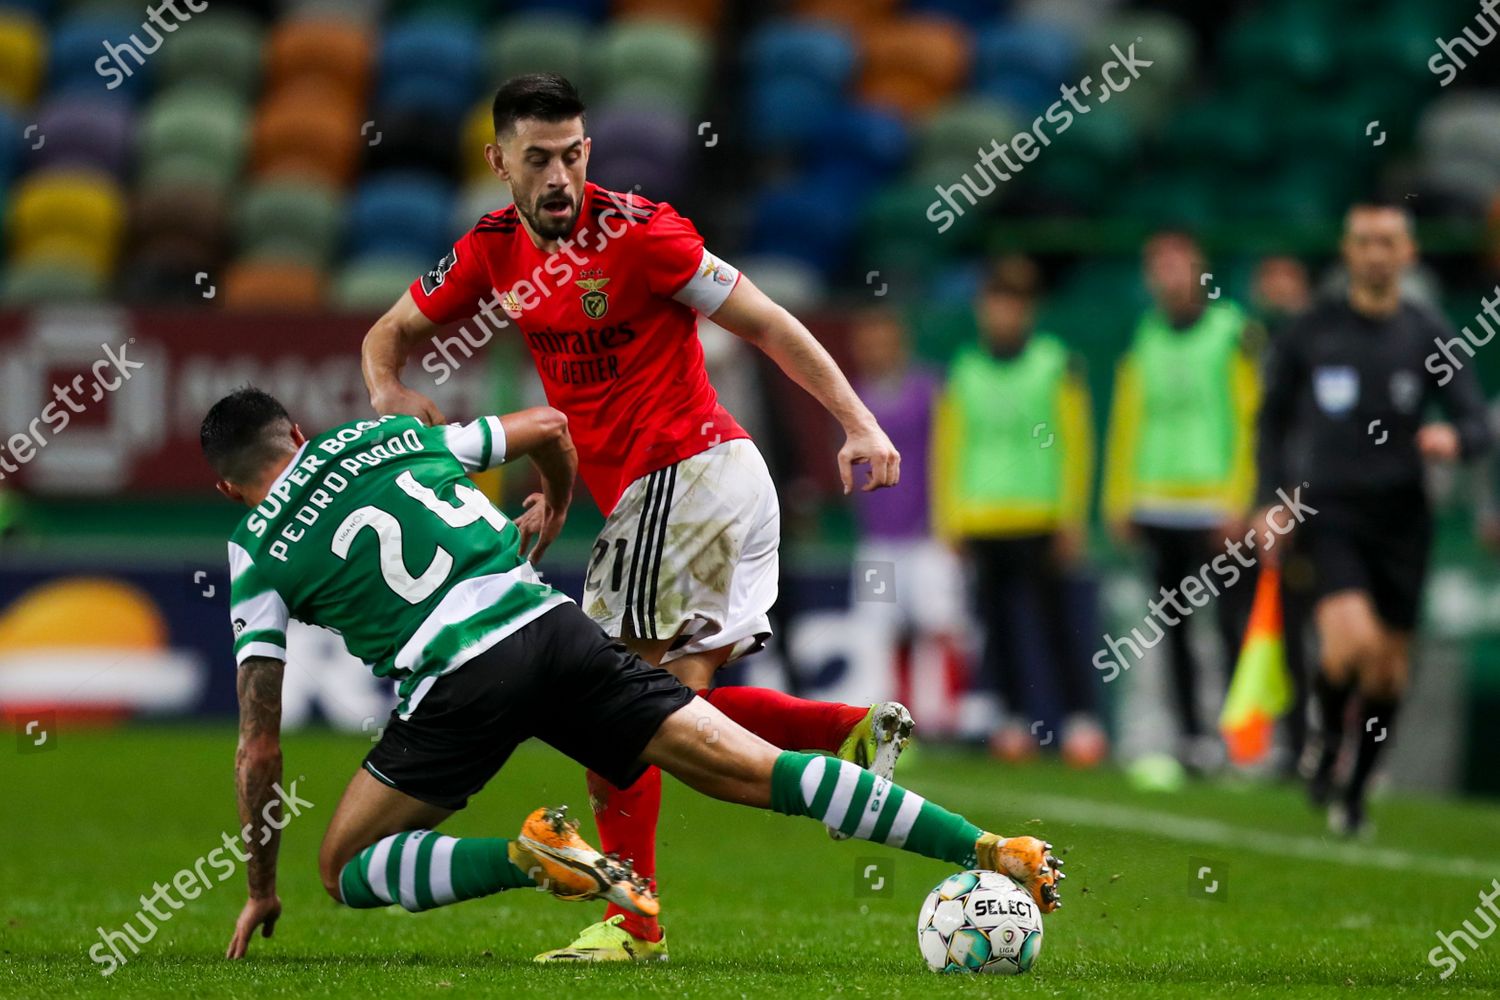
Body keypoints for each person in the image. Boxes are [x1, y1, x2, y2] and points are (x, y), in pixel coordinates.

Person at [200, 389, 1064, 959]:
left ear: (230, 489)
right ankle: (992, 846)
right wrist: (556, 496)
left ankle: (527, 855)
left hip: (458, 681)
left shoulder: (252, 552)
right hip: (552, 627)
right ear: (299, 433)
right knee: (754, 775)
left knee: (346, 866)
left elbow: (260, 750)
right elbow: (547, 425)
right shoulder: (383, 436)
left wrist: (260, 888)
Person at [359, 74, 912, 961]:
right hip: (680, 493)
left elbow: (768, 322)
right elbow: (384, 334)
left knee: (609, 703)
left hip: (690, 474)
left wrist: (858, 420)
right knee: (672, 712)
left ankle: (631, 921)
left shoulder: (643, 233)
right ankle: (841, 730)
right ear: (499, 161)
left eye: (572, 154)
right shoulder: (491, 249)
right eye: (537, 158)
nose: (559, 177)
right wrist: (390, 392)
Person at [1255, 203, 1492, 835]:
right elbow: (1272, 419)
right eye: (1365, 242)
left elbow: (1475, 418)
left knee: (1388, 670)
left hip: (1403, 519)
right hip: (1329, 509)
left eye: (1389, 242)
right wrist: (1270, 498)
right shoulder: (1312, 330)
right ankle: (1327, 739)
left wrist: (1456, 440)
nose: (1377, 253)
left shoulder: (1428, 334)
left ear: (1409, 253)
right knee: (1351, 643)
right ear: (1348, 251)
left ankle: (1353, 794)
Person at [934, 257, 1107, 766]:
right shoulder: (964, 368)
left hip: (1040, 515)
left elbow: (1076, 442)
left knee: (1058, 623)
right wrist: (951, 517)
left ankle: (1079, 720)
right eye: (995, 303)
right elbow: (950, 447)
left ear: (1028, 310)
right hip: (984, 518)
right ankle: (1011, 720)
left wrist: (1072, 514)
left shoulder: (1055, 364)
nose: (1003, 314)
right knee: (997, 626)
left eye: (1013, 304)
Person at [1103, 232, 1260, 773]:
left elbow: (1251, 418)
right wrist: (1119, 495)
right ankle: (1194, 738)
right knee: (1173, 629)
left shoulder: (1233, 332)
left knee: (1233, 627)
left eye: (1178, 264)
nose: (1167, 276)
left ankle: (1246, 741)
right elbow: (1128, 421)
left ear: (1201, 270)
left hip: (1217, 505)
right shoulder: (1145, 336)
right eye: (1158, 266)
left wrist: (1241, 497)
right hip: (1157, 503)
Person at [846, 307, 967, 729]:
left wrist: (950, 520)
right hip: (878, 540)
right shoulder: (852, 399)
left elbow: (950, 454)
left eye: (881, 341)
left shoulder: (929, 391)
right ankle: (898, 720)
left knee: (941, 624)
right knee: (886, 629)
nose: (873, 351)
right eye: (866, 343)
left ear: (899, 342)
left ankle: (949, 717)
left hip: (927, 536)